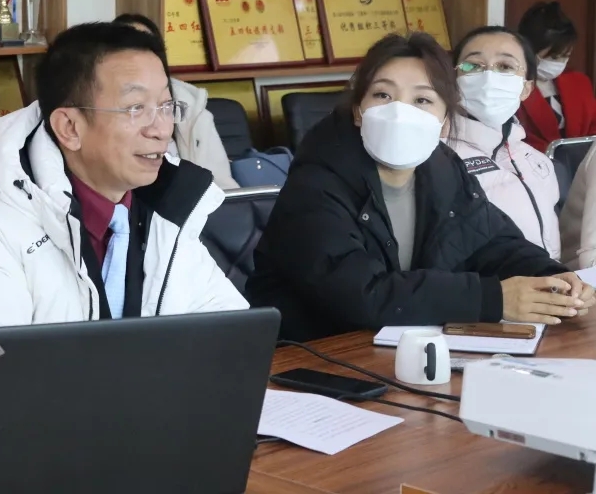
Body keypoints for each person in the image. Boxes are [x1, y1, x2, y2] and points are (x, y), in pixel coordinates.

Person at [0, 22, 248, 429]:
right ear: (69, 128)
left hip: (132, 433)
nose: (160, 130)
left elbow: (233, 339)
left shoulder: (165, 214)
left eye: (167, 107)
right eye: (135, 108)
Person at [245, 32, 593, 343]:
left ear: (444, 120)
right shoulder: (317, 180)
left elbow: (492, 242)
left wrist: (552, 277)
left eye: (422, 100)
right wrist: (493, 298)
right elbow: (359, 293)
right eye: (382, 94)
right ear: (358, 111)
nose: (399, 111)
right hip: (312, 356)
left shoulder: (443, 168)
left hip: (400, 348)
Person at [448, 26, 560, 259]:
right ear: (454, 81)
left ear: (526, 88)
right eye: (472, 66)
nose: (489, 76)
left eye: (505, 67)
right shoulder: (439, 159)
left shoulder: (538, 161)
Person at [113, 13, 239, 189]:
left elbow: (221, 185)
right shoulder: (106, 104)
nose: (160, 132)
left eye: (148, 48)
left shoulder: (193, 108)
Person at [516, 1, 596, 152]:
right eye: (553, 57)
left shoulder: (579, 82)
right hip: (532, 163)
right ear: (529, 49)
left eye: (565, 56)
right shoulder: (512, 86)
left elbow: (593, 126)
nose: (559, 63)